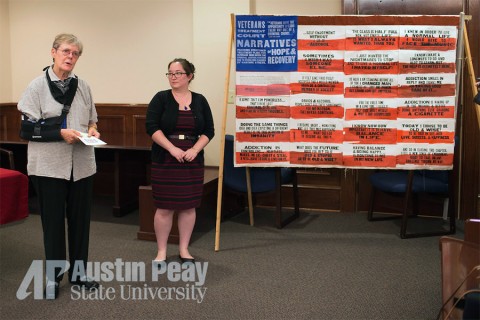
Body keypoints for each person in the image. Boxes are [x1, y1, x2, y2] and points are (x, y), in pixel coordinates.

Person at [17, 33, 100, 299]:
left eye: (75, 53)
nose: (70, 57)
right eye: (66, 51)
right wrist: (59, 134)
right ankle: (53, 278)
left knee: (80, 223)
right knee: (53, 225)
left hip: (82, 165)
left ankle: (79, 274)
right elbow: (26, 129)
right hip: (49, 167)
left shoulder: (83, 85)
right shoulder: (36, 87)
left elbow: (92, 120)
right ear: (53, 52)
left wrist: (93, 130)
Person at [146, 58, 215, 265]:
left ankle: (184, 249)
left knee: (188, 207)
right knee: (164, 207)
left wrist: (194, 149)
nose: (173, 77)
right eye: (170, 73)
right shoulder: (161, 98)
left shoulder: (200, 100)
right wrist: (172, 148)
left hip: (191, 160)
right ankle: (161, 251)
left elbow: (208, 131)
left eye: (178, 73)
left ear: (189, 76)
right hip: (165, 159)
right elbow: (151, 127)